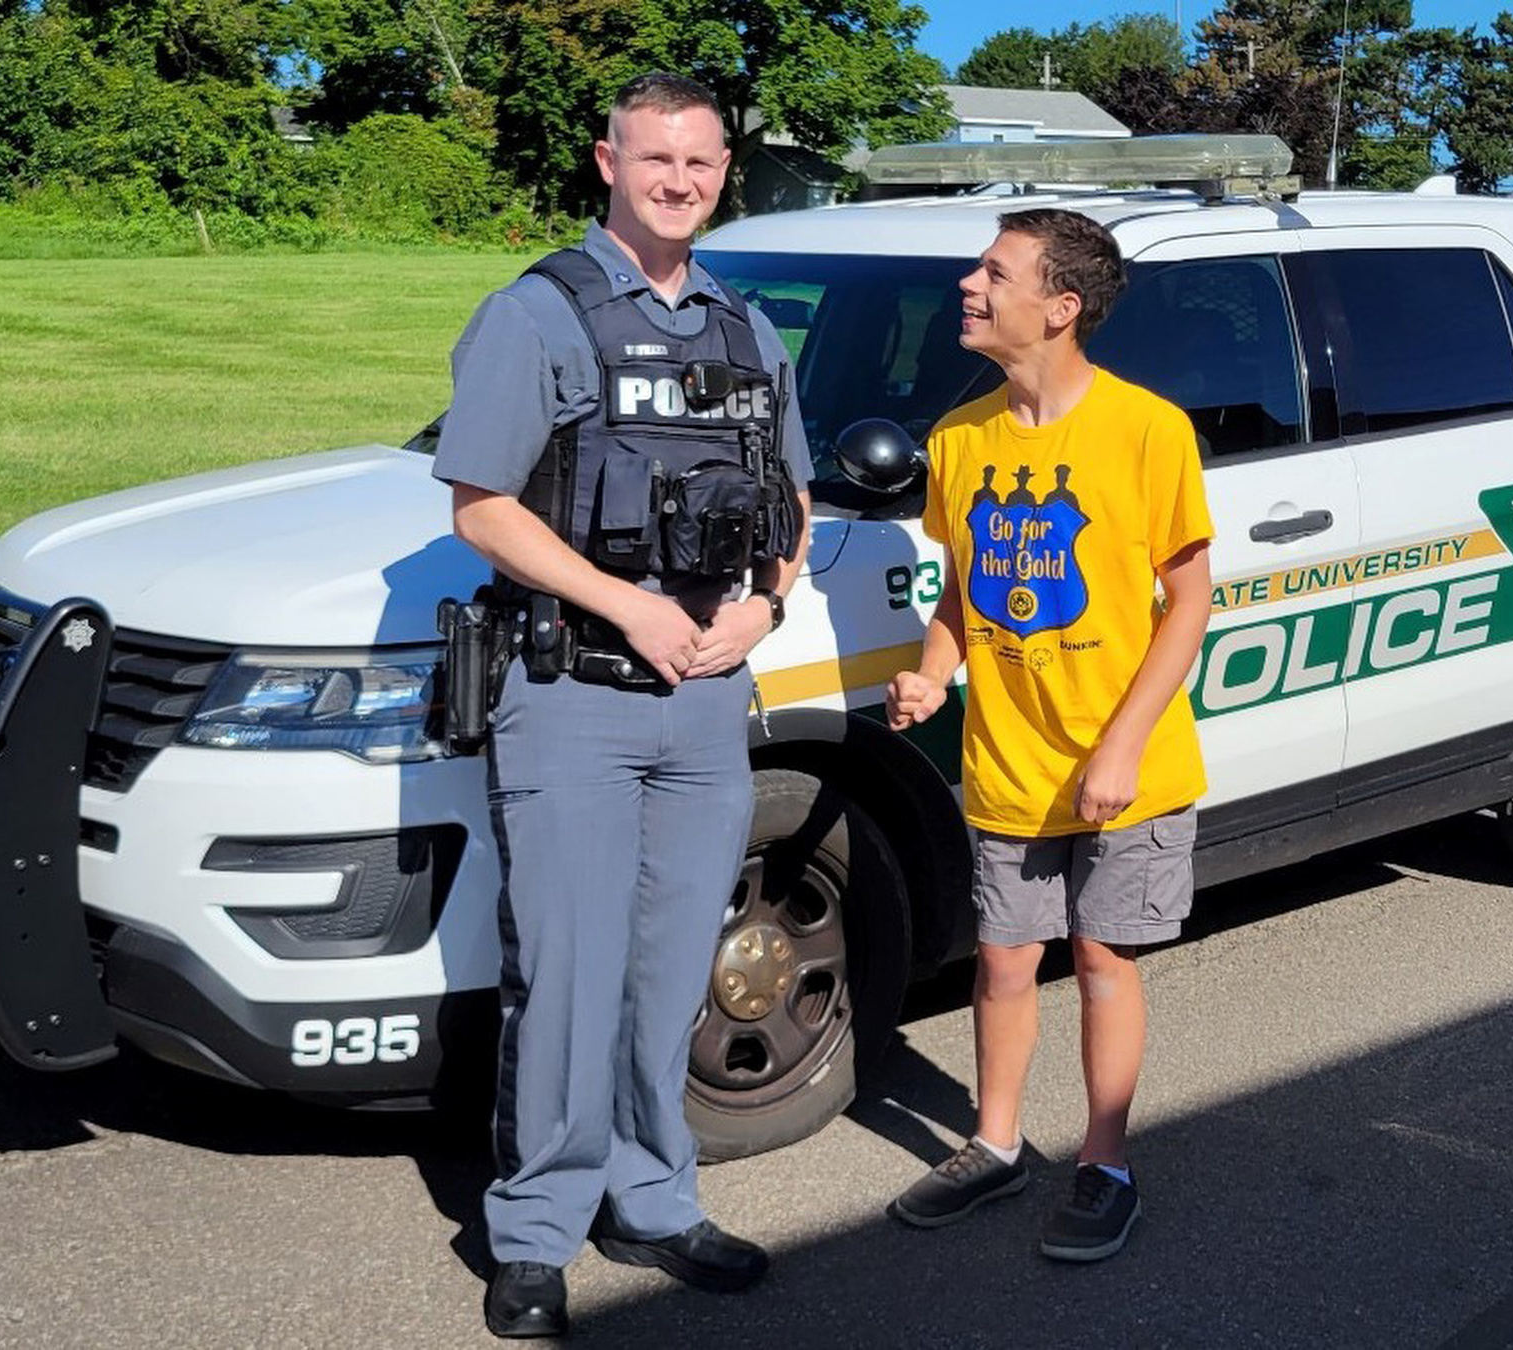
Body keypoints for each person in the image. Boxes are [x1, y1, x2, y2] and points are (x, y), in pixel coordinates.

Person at [433, 73, 813, 1339]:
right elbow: (481, 506)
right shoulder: (536, 316)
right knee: (570, 974)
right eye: (657, 159)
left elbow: (791, 501)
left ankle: (653, 1202)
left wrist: (768, 605)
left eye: (701, 164)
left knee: (666, 980)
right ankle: (535, 1232)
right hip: (575, 695)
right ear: (607, 161)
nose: (680, 181)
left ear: (723, 174)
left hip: (707, 705)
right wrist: (629, 604)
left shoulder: (746, 328)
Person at [885, 208, 1213, 1261]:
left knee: (1104, 957)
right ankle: (993, 1144)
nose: (969, 287)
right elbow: (962, 595)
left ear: (1060, 307)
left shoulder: (1147, 429)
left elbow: (1190, 601)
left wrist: (1119, 746)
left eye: (995, 272)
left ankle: (1104, 1163)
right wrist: (935, 676)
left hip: (1126, 764)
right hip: (1010, 759)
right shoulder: (959, 438)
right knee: (1002, 960)